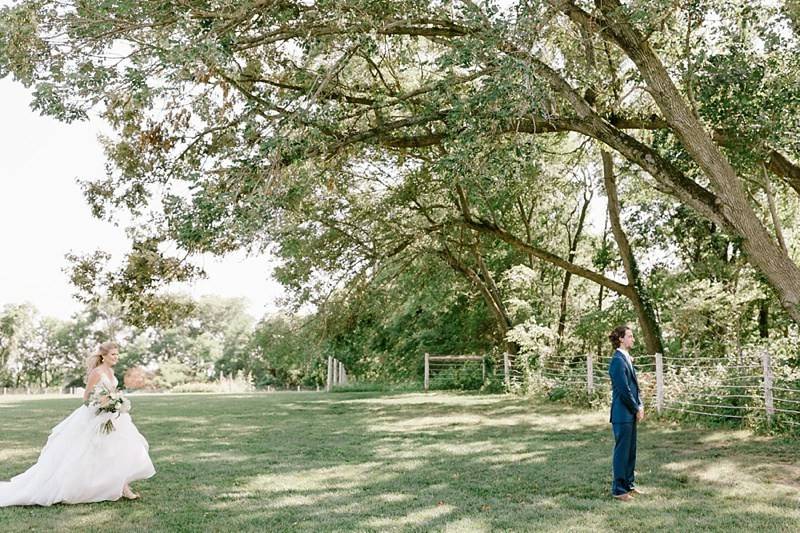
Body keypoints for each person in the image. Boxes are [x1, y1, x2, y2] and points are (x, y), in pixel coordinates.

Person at [0, 342, 155, 507]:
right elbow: (86, 397)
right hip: (96, 416)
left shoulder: (110, 371)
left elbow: (111, 391)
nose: (116, 357)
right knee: (87, 452)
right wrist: (104, 404)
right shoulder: (97, 372)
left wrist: (116, 400)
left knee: (119, 450)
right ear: (103, 356)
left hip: (114, 417)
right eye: (113, 355)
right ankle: (80, 487)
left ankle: (123, 487)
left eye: (117, 354)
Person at [607, 325, 644, 501]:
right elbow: (623, 390)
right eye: (630, 336)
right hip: (622, 414)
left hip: (630, 413)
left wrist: (640, 405)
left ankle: (629, 485)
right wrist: (635, 408)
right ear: (621, 339)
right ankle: (619, 490)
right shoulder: (617, 361)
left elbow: (634, 387)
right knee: (622, 452)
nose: (633, 339)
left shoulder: (627, 358)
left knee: (631, 451)